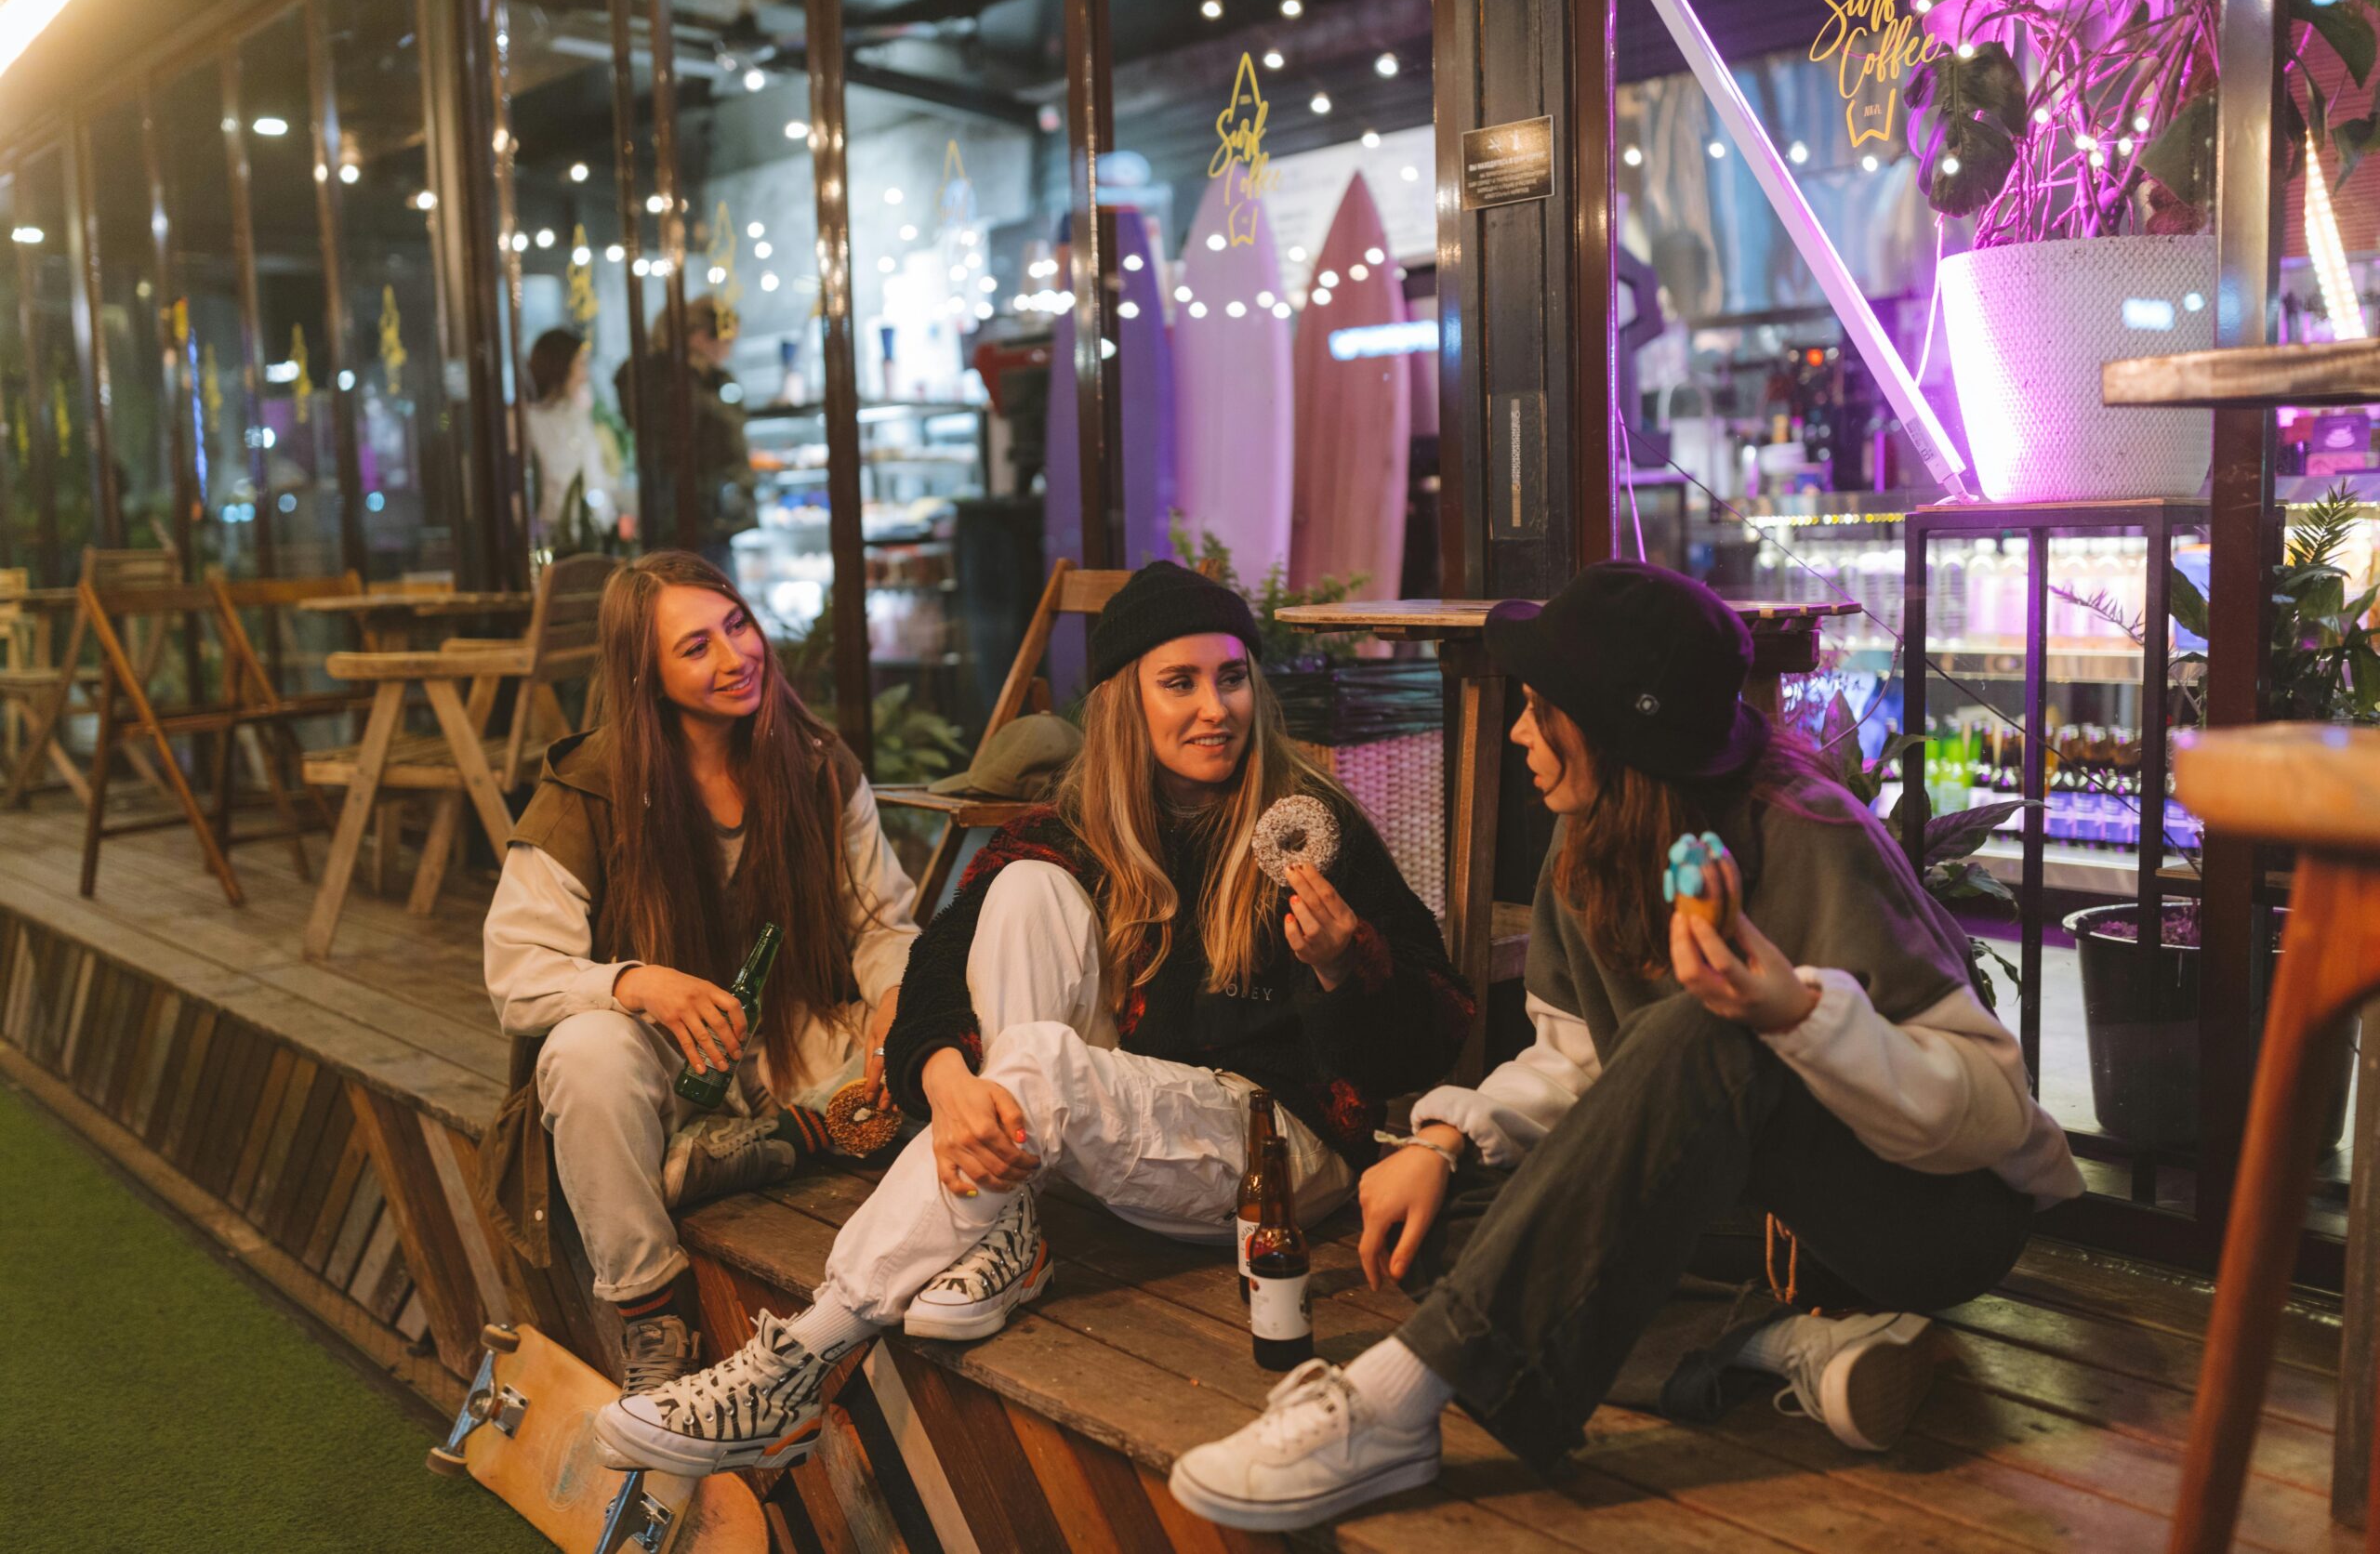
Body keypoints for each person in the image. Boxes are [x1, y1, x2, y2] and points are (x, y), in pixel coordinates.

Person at [1164, 560, 2086, 1532]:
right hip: (1747, 1222)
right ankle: (1785, 1350)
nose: (1517, 732)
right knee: (1443, 1214)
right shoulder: (1588, 845)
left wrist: (1796, 1013)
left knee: (1705, 1025)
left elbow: (1988, 1110)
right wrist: (1442, 1142)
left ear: (1611, 730)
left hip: (1915, 1224)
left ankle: (1395, 1403)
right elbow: (1577, 1065)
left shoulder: (1808, 834)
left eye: (1536, 710)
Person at [592, 560, 1477, 1475]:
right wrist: (944, 1080)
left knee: (1042, 1064)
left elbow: (1428, 1037)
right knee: (1018, 890)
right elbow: (935, 958)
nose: (1214, 708)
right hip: (1126, 1125)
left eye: (1230, 677)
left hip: (1280, 1155)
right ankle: (1006, 1223)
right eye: (1179, 683)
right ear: (1124, 702)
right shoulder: (1082, 818)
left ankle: (795, 1364)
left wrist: (1344, 960)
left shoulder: (1312, 821)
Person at [479, 550, 919, 1400]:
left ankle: (769, 1145)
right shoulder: (591, 785)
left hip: (790, 1049)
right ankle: (655, 1313)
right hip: (669, 1064)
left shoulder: (819, 764)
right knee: (581, 1054)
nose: (732, 657)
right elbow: (515, 971)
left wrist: (895, 1001)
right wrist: (639, 984)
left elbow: (881, 924)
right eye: (695, 649)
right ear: (645, 674)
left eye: (737, 626)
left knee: (942, 1035)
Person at [615, 296, 759, 575]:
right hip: (688, 520)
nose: (728, 352)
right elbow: (680, 449)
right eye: (726, 341)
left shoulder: (711, 380)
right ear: (700, 337)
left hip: (711, 519)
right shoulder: (666, 380)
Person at [522, 328, 622, 549]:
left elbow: (594, 478)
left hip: (593, 535)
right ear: (560, 366)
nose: (585, 375)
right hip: (556, 540)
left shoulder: (579, 416)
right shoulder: (531, 421)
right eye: (581, 364)